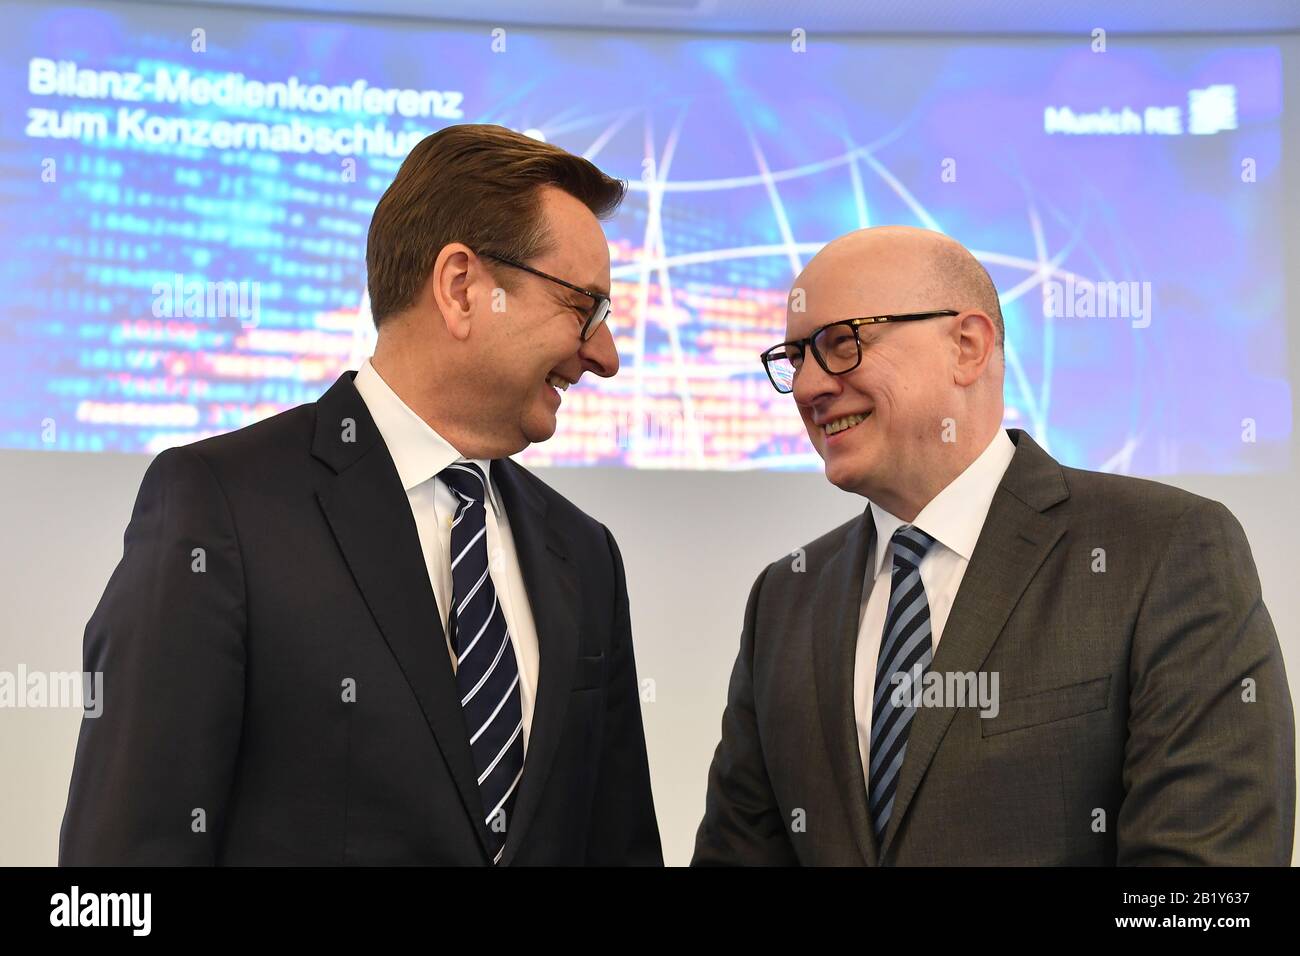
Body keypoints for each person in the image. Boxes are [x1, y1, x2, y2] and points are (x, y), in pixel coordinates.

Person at [61, 124, 662, 866]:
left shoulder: (584, 554)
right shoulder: (220, 510)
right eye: (584, 307)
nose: (604, 355)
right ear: (462, 288)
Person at [693, 224, 1294, 865]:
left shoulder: (1164, 551)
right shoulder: (786, 597)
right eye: (795, 359)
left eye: (842, 344)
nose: (810, 387)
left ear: (968, 346)